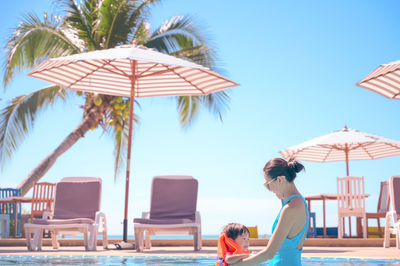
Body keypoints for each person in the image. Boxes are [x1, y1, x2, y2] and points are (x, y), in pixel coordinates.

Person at [232, 158, 309, 266]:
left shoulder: (291, 208)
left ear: (280, 180)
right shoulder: (299, 203)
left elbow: (269, 253)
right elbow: (280, 251)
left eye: (268, 184)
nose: (269, 189)